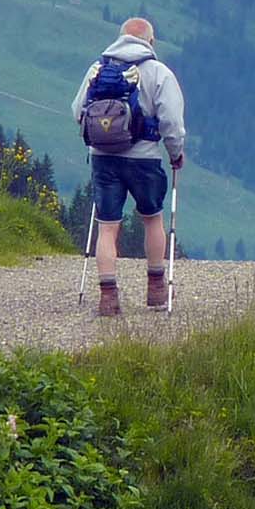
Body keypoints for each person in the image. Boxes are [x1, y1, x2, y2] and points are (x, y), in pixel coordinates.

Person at [72, 18, 185, 316]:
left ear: (120, 38)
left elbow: (76, 111)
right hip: (144, 158)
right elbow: (171, 121)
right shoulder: (158, 72)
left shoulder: (97, 69)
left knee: (108, 227)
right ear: (151, 41)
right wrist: (176, 153)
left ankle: (108, 296)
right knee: (152, 219)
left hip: (103, 157)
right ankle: (156, 288)